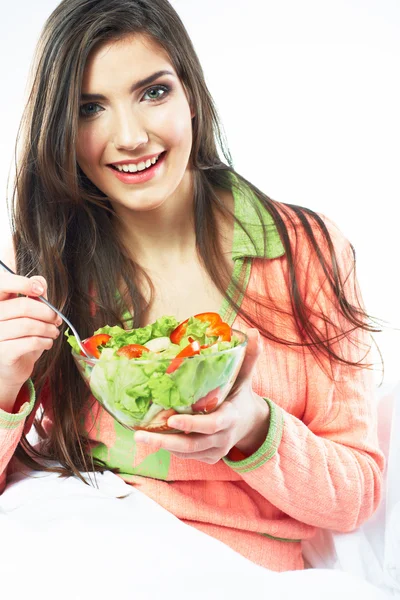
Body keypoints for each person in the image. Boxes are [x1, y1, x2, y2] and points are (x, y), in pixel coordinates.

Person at [0, 0, 385, 573]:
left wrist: (253, 429)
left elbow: (356, 496)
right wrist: (4, 387)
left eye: (153, 92)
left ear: (191, 95)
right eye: (90, 108)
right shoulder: (46, 266)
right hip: (83, 553)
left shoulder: (307, 251)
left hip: (246, 575)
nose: (130, 136)